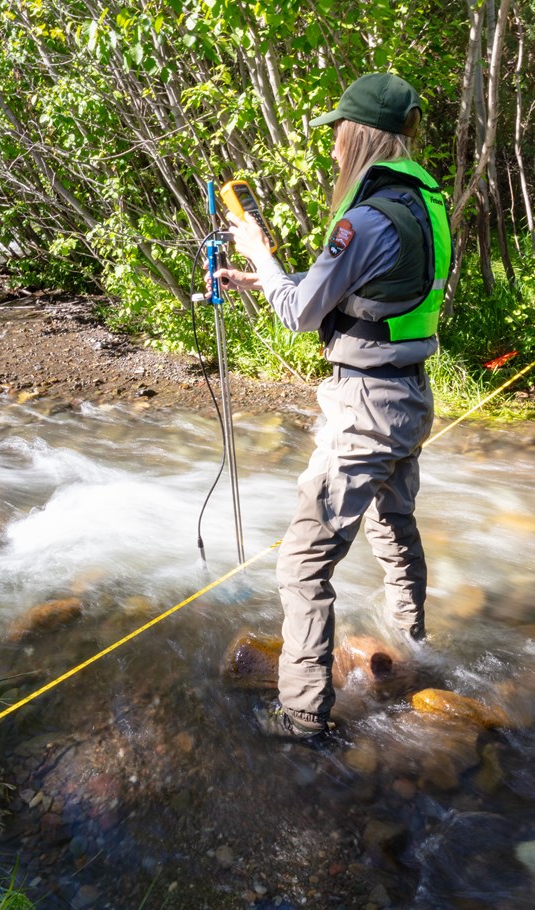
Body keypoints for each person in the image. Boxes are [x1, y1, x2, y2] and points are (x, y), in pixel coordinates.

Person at [210, 72, 452, 743]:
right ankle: (413, 648)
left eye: (340, 132)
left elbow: (299, 314)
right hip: (410, 396)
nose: (334, 145)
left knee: (303, 562)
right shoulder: (424, 204)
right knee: (392, 529)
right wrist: (266, 278)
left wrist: (256, 246)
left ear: (359, 135)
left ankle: (303, 715)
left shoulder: (364, 219)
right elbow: (371, 298)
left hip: (366, 408)